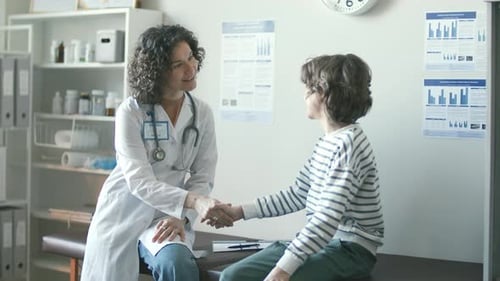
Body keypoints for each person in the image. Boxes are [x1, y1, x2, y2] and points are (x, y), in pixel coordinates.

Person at [81, 24, 232, 281]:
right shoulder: (132, 112)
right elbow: (139, 181)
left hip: (167, 215)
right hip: (123, 211)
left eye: (192, 58)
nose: (191, 68)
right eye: (178, 65)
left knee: (177, 265)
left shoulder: (201, 114)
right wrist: (193, 201)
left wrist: (182, 217)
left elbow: (203, 176)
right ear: (157, 71)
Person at [216, 54, 384, 281]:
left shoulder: (349, 145)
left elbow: (326, 218)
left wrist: (282, 271)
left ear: (326, 94)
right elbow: (298, 193)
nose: (305, 94)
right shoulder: (328, 142)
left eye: (310, 88)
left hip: (350, 250)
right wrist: (240, 212)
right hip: (324, 244)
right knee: (233, 276)